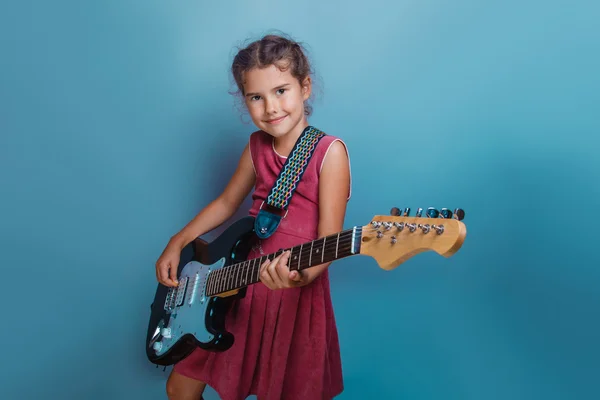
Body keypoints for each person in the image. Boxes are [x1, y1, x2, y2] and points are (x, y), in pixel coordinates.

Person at [155, 33, 352, 400]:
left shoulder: (330, 153)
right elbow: (226, 203)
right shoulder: (255, 146)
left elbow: (330, 243)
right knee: (180, 388)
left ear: (304, 87)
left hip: (292, 295)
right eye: (256, 98)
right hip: (237, 285)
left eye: (281, 91)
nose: (270, 108)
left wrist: (299, 275)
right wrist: (177, 241)